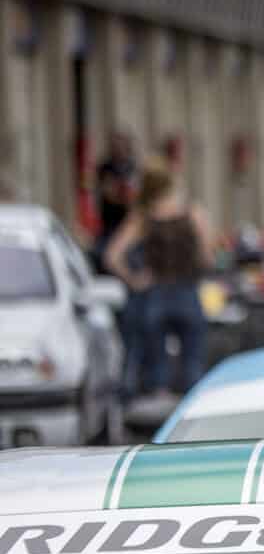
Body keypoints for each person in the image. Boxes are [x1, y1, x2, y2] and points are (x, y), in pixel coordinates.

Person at [102, 158, 216, 406]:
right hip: (187, 292)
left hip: (155, 296)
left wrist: (135, 279)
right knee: (193, 365)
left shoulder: (143, 218)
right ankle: (193, 417)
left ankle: (159, 424)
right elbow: (208, 257)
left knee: (158, 369)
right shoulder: (192, 213)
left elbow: (112, 255)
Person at [92, 133, 138, 274]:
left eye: (121, 146)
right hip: (109, 222)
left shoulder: (132, 167)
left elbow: (134, 194)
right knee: (103, 255)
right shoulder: (105, 167)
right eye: (115, 146)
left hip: (128, 222)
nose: (118, 149)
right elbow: (107, 191)